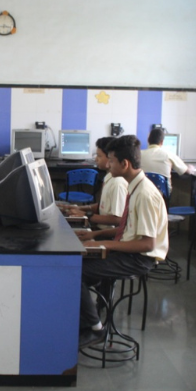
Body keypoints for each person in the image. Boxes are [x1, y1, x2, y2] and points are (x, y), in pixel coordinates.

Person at [79, 135, 168, 347]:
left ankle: (96, 329)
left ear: (124, 164)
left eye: (111, 160)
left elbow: (147, 244)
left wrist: (105, 244)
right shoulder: (134, 186)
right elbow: (127, 228)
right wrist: (95, 236)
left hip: (140, 258)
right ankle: (84, 316)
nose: (108, 165)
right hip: (130, 251)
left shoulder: (144, 194)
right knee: (75, 266)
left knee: (77, 272)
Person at [64, 136, 128, 238]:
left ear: (110, 157)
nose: (95, 159)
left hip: (108, 235)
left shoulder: (117, 183)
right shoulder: (109, 177)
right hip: (99, 228)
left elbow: (118, 220)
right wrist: (79, 208)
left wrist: (86, 215)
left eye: (99, 156)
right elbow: (103, 206)